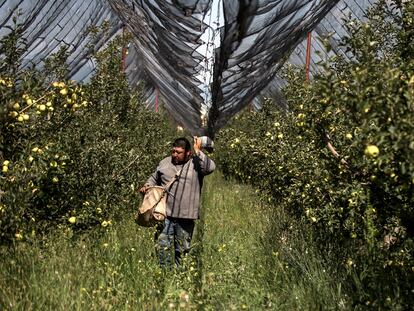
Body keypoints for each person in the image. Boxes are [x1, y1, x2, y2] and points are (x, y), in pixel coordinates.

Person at [139, 136, 215, 267]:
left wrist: (198, 150)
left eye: (179, 152)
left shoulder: (196, 163)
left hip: (186, 217)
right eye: (173, 151)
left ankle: (181, 279)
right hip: (164, 215)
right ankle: (165, 276)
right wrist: (147, 186)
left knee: (182, 251)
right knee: (162, 248)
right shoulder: (165, 162)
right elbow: (153, 178)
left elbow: (210, 168)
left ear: (188, 153)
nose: (175, 155)